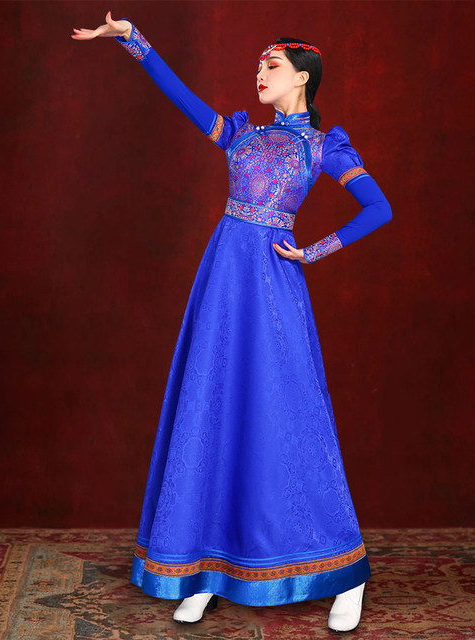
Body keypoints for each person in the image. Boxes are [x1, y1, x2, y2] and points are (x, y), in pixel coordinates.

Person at [72, 12, 391, 633]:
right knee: (212, 407)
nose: (260, 73)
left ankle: (344, 573)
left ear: (302, 77)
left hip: (273, 285)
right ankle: (204, 569)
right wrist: (132, 40)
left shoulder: (322, 147)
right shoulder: (241, 135)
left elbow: (377, 208)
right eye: (258, 65)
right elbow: (181, 96)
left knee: (288, 414)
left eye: (272, 66)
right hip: (221, 280)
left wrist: (315, 251)